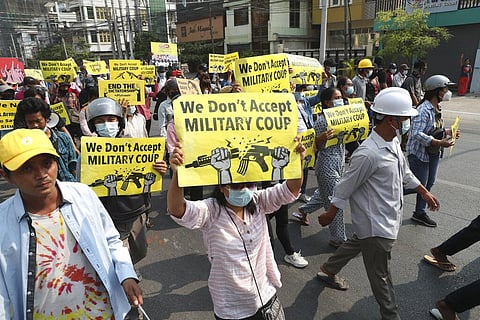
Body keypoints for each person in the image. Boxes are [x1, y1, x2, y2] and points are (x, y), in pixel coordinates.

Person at [316, 87, 440, 320]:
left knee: (357, 242)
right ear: (391, 120)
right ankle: (391, 315)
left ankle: (328, 269)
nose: (408, 123)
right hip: (377, 225)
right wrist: (331, 213)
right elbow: (345, 185)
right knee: (380, 274)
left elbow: (405, 172)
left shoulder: (393, 141)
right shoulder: (368, 153)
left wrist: (423, 191)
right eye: (405, 119)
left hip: (382, 218)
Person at [0, 128, 143, 319]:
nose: (41, 174)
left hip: (101, 312)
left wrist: (126, 275)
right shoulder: (3, 221)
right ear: (5, 175)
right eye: (27, 168)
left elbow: (111, 239)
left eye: (47, 163)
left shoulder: (83, 195)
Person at [167, 137, 306, 320]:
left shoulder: (259, 201)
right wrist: (179, 175)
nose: (244, 190)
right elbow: (178, 210)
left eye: (249, 184)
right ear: (222, 186)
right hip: (232, 308)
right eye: (236, 185)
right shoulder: (211, 211)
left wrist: (297, 161)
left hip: (265, 297)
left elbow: (290, 190)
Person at [293, 88, 347, 248]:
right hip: (327, 165)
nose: (341, 99)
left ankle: (303, 211)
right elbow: (312, 147)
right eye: (336, 98)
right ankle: (338, 238)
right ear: (327, 102)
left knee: (323, 194)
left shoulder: (342, 118)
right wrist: (321, 138)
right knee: (334, 200)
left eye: (341, 97)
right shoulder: (322, 121)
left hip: (340, 162)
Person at [406, 75, 459, 227]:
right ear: (436, 91)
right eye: (444, 89)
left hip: (432, 152)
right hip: (419, 153)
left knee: (429, 183)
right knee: (418, 185)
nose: (447, 92)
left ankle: (419, 213)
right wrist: (437, 142)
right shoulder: (423, 109)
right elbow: (416, 133)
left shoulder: (436, 107)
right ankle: (388, 195)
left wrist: (449, 132)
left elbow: (435, 130)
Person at [14, 97, 78, 182]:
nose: (35, 125)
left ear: (47, 119)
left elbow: (73, 164)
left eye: (38, 121)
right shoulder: (24, 143)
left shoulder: (63, 138)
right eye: (30, 122)